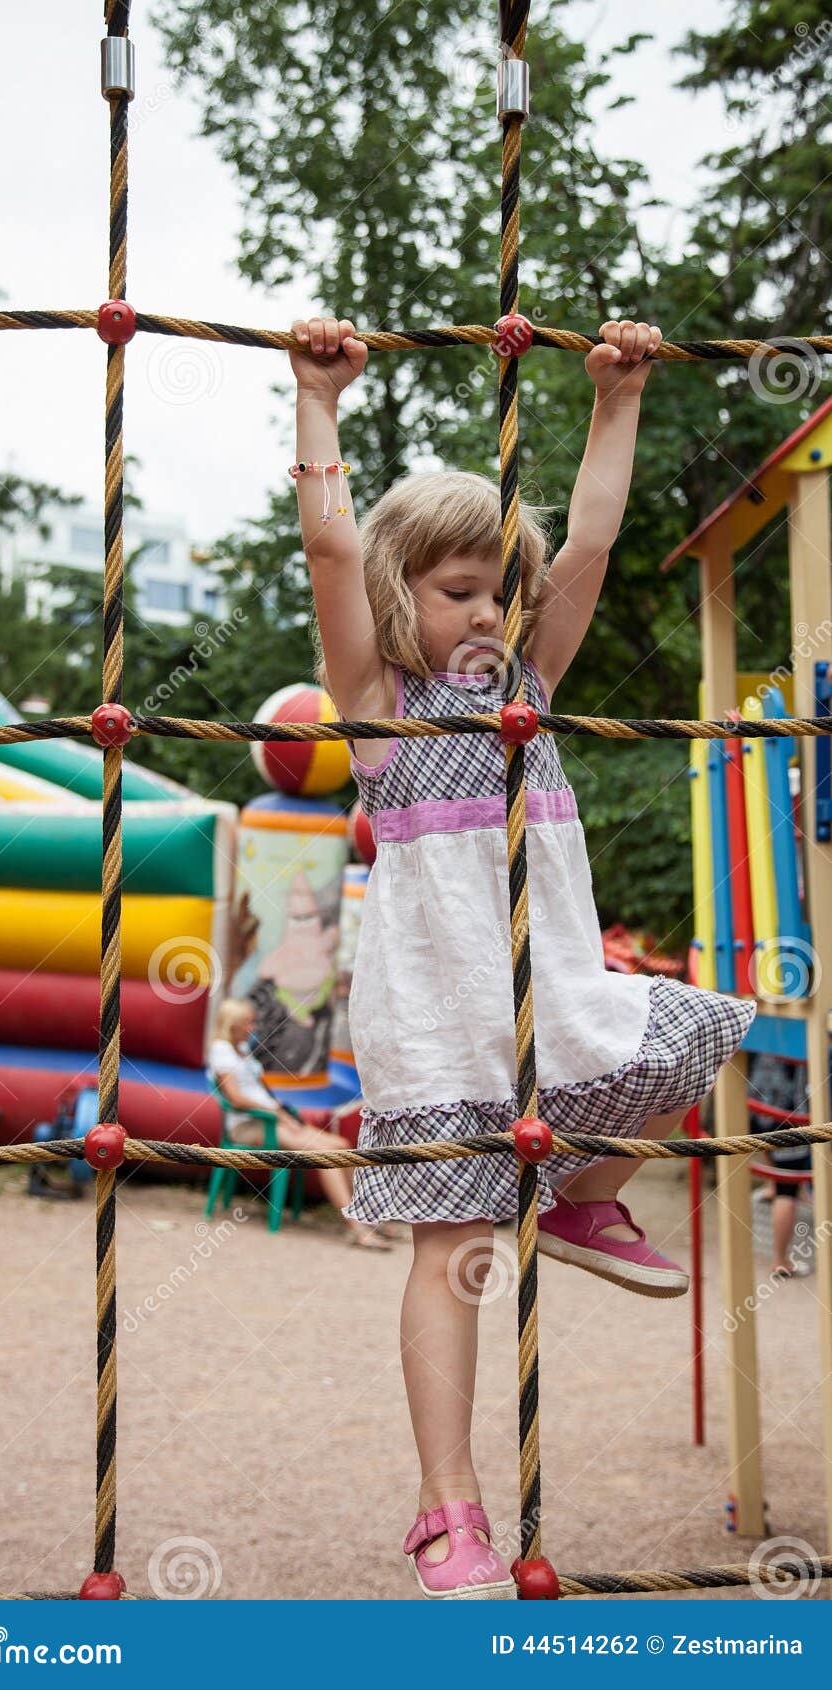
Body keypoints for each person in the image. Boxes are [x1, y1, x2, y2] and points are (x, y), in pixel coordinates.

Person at [288, 313, 758, 1598]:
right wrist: (318, 402)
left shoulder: (527, 694)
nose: (489, 610)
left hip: (552, 999)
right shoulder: (379, 713)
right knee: (451, 1253)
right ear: (402, 597)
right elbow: (330, 548)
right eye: (458, 591)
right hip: (441, 1020)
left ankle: (579, 1195)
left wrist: (615, 402)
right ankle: (447, 1509)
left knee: (703, 1029)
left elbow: (590, 543)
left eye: (501, 589)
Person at [208, 997, 398, 1249]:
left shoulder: (241, 1049)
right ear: (232, 1025)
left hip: (274, 1119)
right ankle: (356, 1228)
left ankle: (368, 1216)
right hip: (253, 1125)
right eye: (248, 1023)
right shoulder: (221, 1050)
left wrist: (281, 1112)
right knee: (325, 1154)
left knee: (342, 1146)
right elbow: (236, 1098)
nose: (253, 1028)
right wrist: (275, 1112)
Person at [746, 1050, 812, 1278]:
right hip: (788, 1117)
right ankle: (781, 1261)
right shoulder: (802, 1035)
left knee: (777, 1167)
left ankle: (772, 1185)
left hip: (757, 1105)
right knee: (787, 1190)